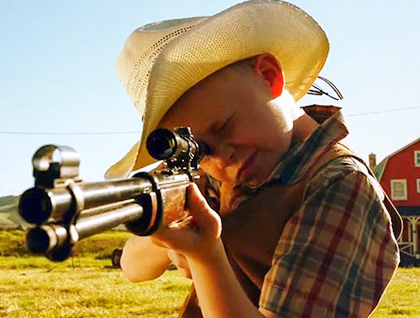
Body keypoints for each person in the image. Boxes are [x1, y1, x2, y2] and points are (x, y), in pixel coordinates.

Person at [106, 1, 402, 317]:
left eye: (224, 125)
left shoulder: (339, 183)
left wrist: (206, 255)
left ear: (269, 75)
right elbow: (133, 267)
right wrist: (168, 235)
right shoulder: (212, 172)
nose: (222, 156)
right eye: (200, 150)